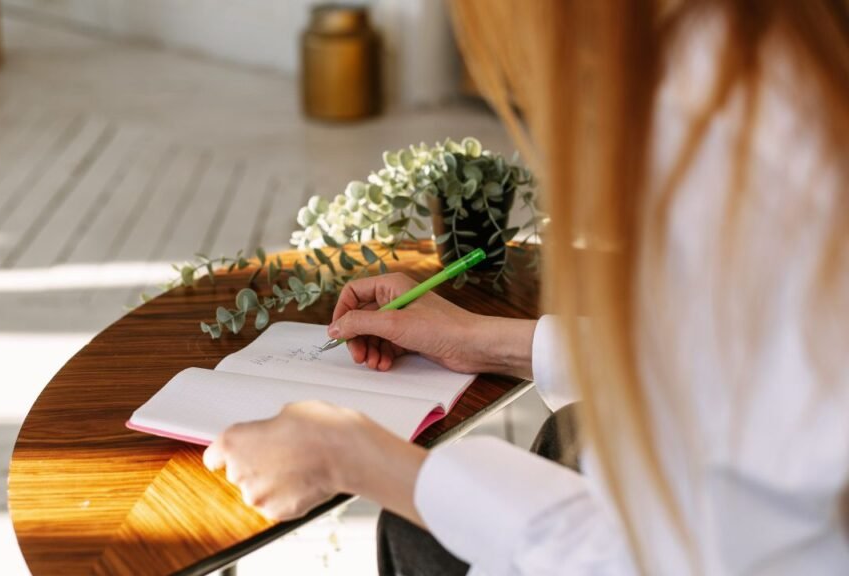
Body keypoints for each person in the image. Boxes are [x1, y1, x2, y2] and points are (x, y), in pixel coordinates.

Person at [202, 0, 849, 573]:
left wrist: (352, 458)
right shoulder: (760, 58)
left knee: (421, 529)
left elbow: (667, 556)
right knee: (553, 446)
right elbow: (715, 358)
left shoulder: (744, 141)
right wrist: (482, 340)